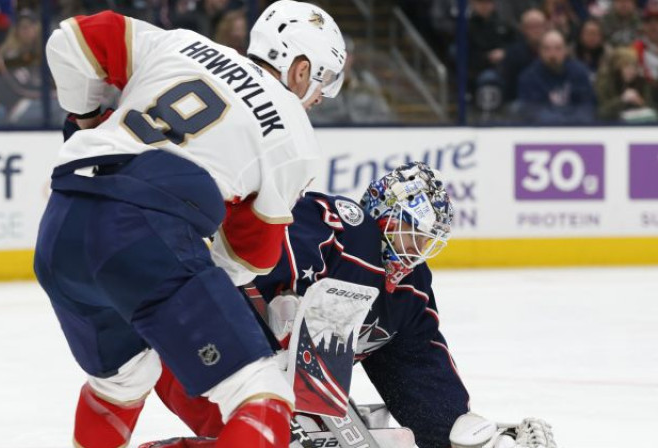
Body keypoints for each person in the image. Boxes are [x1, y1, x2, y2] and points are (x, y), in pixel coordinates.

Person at [33, 2, 347, 448]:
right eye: (324, 79)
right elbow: (247, 256)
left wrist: (87, 118)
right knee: (265, 399)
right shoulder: (295, 135)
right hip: (144, 233)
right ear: (299, 69)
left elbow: (71, 40)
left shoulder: (182, 42)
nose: (320, 96)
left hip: (61, 224)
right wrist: (193, 299)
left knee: (122, 383)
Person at [147, 162, 558, 448]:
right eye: (409, 234)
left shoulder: (411, 289)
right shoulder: (343, 226)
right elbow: (257, 250)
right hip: (196, 346)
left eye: (426, 243)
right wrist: (281, 303)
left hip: (277, 387)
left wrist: (451, 427)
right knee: (266, 435)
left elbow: (416, 362)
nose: (414, 252)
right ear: (383, 214)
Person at [516, 30, 596, 123]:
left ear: (566, 50)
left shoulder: (580, 72)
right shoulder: (529, 77)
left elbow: (587, 106)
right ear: (540, 51)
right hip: (542, 132)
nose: (552, 54)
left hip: (575, 130)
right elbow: (532, 111)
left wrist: (570, 124)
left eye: (558, 48)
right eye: (547, 49)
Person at [595, 46, 658, 121]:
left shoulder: (642, 82)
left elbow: (653, 109)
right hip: (612, 126)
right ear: (617, 67)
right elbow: (601, 112)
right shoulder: (605, 83)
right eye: (626, 66)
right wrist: (622, 100)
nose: (632, 71)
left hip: (639, 126)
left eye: (634, 67)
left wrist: (641, 102)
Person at [501, 8, 548, 102]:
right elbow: (509, 88)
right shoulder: (513, 54)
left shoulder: (555, 49)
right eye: (531, 26)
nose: (536, 30)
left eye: (539, 26)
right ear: (523, 29)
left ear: (546, 27)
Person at [634, 3, 658, 83]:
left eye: (657, 21)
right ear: (643, 25)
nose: (653, 26)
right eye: (649, 21)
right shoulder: (636, 48)